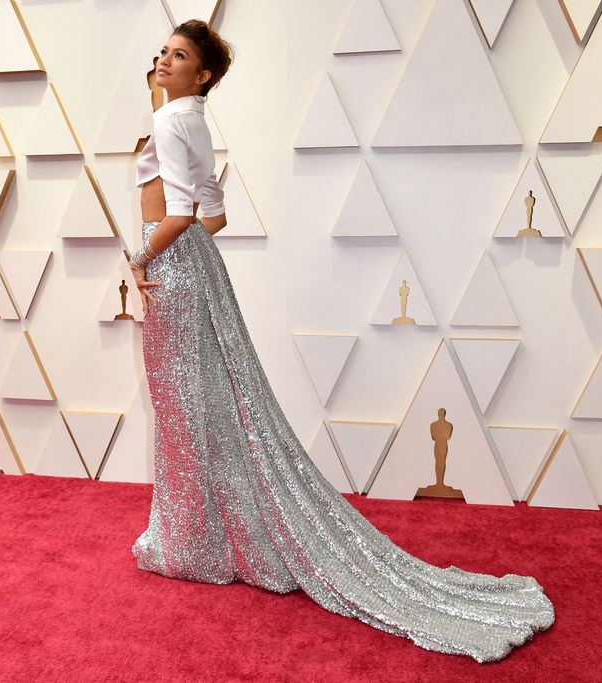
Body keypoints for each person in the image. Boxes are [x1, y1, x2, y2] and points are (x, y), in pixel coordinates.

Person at [127, 19, 554, 663]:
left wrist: (141, 258)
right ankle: (201, 539)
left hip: (171, 274)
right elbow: (214, 215)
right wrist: (183, 255)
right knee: (208, 408)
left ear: (204, 74)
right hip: (200, 273)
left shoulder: (169, 121)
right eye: (163, 50)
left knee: (186, 411)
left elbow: (183, 214)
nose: (163, 59)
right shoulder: (190, 118)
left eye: (179, 55)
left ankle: (189, 545)